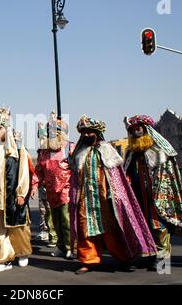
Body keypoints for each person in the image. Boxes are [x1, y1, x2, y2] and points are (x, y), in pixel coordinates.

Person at [69, 115, 157, 274]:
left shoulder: (107, 150)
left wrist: (114, 195)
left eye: (90, 132)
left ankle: (123, 258)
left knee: (112, 229)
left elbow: (117, 178)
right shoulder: (79, 154)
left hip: (105, 199)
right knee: (85, 230)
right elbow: (75, 179)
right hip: (85, 200)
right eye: (85, 132)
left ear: (97, 132)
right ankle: (88, 261)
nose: (87, 135)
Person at [123, 114, 182, 270]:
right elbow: (126, 172)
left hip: (157, 195)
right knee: (144, 225)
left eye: (138, 129)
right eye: (133, 130)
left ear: (147, 129)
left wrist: (158, 191)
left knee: (158, 225)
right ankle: (149, 255)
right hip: (138, 195)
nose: (136, 132)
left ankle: (163, 262)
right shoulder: (131, 151)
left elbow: (167, 175)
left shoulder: (160, 150)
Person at [0, 106, 32, 273]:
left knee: (18, 226)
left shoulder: (18, 150)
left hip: (13, 195)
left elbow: (23, 171)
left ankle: (22, 252)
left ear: (7, 128)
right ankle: (3, 259)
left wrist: (21, 193)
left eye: (0, 128)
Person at [35, 112, 74, 259]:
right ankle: (61, 246)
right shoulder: (44, 153)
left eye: (55, 132)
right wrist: (34, 185)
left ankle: (70, 246)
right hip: (51, 192)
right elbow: (39, 171)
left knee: (66, 220)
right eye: (50, 133)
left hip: (66, 191)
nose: (53, 136)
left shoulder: (69, 149)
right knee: (56, 221)